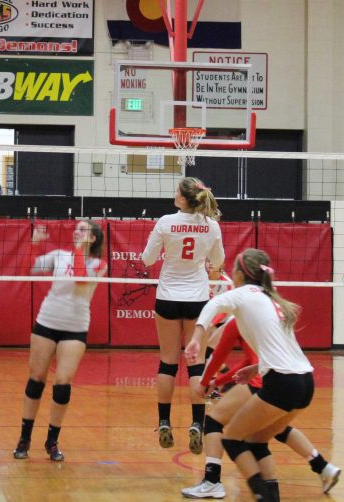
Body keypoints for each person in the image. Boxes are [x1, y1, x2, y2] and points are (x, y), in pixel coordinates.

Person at [185, 248, 314, 502]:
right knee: (256, 441)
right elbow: (284, 350)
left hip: (281, 382)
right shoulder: (273, 300)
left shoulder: (243, 294)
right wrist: (255, 367)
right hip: (305, 382)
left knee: (232, 439)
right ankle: (272, 496)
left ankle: (259, 494)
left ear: (239, 274)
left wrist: (197, 337)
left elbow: (213, 304)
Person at [181, 315, 340, 498]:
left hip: (262, 381)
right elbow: (249, 361)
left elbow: (215, 353)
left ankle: (212, 480)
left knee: (215, 421)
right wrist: (220, 380)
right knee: (269, 433)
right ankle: (321, 467)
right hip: (292, 378)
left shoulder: (237, 318)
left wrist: (209, 381)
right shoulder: (271, 315)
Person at [141, 177, 224, 454]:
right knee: (196, 364)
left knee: (167, 362)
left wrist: (166, 254)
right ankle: (197, 425)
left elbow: (147, 260)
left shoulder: (165, 222)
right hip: (197, 299)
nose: (174, 193)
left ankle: (164, 421)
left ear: (183, 199)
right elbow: (220, 261)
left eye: (177, 191)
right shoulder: (211, 226)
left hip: (167, 296)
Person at [13, 221, 108, 462]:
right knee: (36, 380)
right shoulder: (59, 255)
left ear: (94, 239)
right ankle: (24, 438)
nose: (77, 230)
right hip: (47, 321)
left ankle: (52, 440)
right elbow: (28, 268)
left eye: (83, 229)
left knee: (63, 383)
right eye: (76, 228)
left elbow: (80, 279)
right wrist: (34, 244)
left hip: (75, 328)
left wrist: (79, 248)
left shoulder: (99, 264)